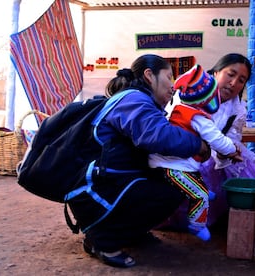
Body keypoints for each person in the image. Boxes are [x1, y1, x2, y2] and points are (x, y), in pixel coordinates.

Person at [72, 54, 210, 268]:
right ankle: (101, 240)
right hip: (96, 190)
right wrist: (199, 145)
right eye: (168, 76)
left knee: (169, 181)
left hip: (108, 183)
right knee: (172, 188)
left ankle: (130, 233)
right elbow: (160, 137)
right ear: (149, 75)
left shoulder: (139, 100)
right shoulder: (134, 100)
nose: (173, 86)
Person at [161, 53, 255, 229]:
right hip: (179, 151)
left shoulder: (236, 110)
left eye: (241, 80)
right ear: (216, 72)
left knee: (243, 167)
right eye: (231, 74)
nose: (233, 83)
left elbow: (231, 138)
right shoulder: (192, 91)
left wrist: (227, 153)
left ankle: (227, 212)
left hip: (212, 153)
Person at [148, 64, 242, 242]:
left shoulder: (180, 110)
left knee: (197, 176)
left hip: (172, 164)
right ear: (207, 97)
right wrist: (231, 150)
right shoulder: (197, 117)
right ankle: (196, 226)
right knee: (200, 196)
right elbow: (217, 139)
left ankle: (203, 191)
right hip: (171, 167)